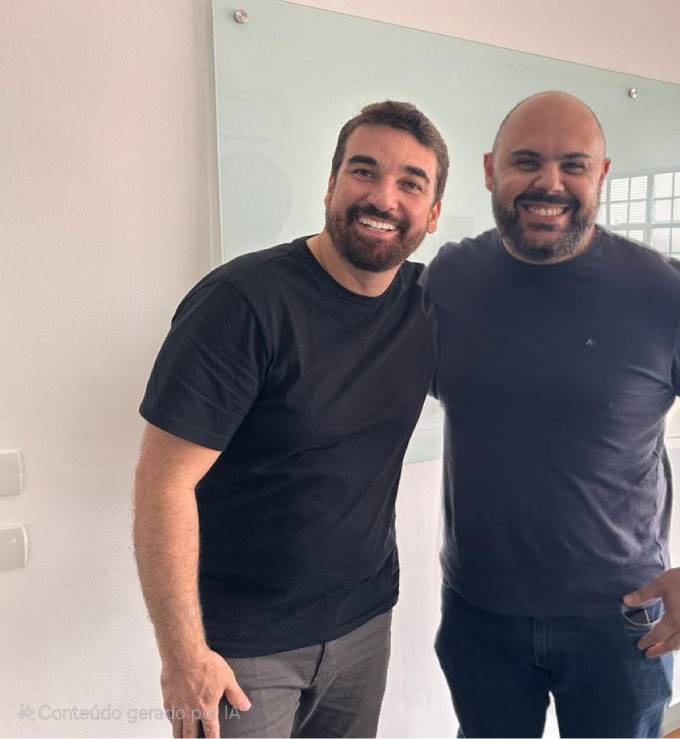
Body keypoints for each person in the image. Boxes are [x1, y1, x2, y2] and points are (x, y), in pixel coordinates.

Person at [425, 91, 680, 738]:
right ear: (490, 170)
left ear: (602, 174)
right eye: (526, 161)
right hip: (479, 614)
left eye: (573, 165)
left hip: (620, 622)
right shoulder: (448, 280)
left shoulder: (669, 294)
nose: (549, 183)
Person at [133, 100, 448, 739]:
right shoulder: (242, 303)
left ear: (433, 214)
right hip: (241, 651)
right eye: (364, 171)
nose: (383, 197)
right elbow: (164, 485)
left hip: (364, 624)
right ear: (331, 185)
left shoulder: (428, 305)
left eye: (411, 183)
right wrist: (183, 655)